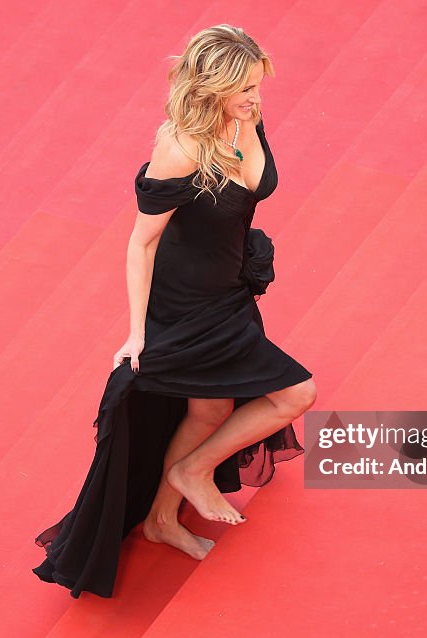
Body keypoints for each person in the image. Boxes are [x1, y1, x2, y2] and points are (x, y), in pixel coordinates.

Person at [34, 25, 316, 598]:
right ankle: (190, 472)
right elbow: (140, 243)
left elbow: (248, 190)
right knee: (298, 393)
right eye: (243, 89)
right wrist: (137, 331)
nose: (255, 98)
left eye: (258, 87)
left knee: (209, 411)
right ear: (210, 88)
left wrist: (248, 117)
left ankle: (163, 518)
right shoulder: (181, 148)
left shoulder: (245, 118)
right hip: (185, 305)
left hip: (230, 292)